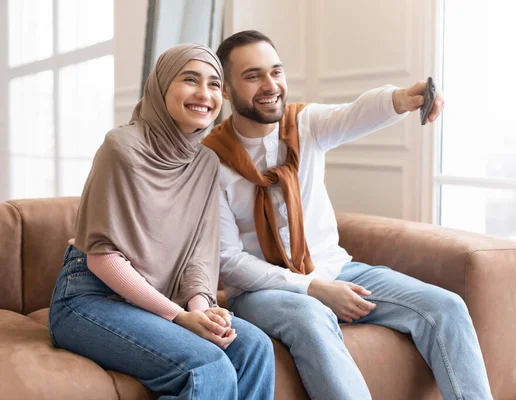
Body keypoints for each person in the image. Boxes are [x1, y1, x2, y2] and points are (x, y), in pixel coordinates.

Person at [202, 30, 493, 400]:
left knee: (446, 307)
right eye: (253, 76)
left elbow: (355, 112)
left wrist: (403, 98)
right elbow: (229, 262)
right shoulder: (210, 160)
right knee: (311, 316)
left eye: (276, 72)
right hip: (262, 292)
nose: (270, 85)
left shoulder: (304, 125)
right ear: (226, 90)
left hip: (337, 269)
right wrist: (313, 288)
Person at [48, 43, 275, 400]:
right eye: (190, 79)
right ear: (162, 86)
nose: (205, 94)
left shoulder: (206, 164)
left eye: (215, 84)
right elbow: (102, 257)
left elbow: (199, 255)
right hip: (91, 298)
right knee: (208, 365)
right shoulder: (121, 147)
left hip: (164, 300)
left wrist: (202, 313)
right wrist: (178, 316)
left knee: (255, 348)